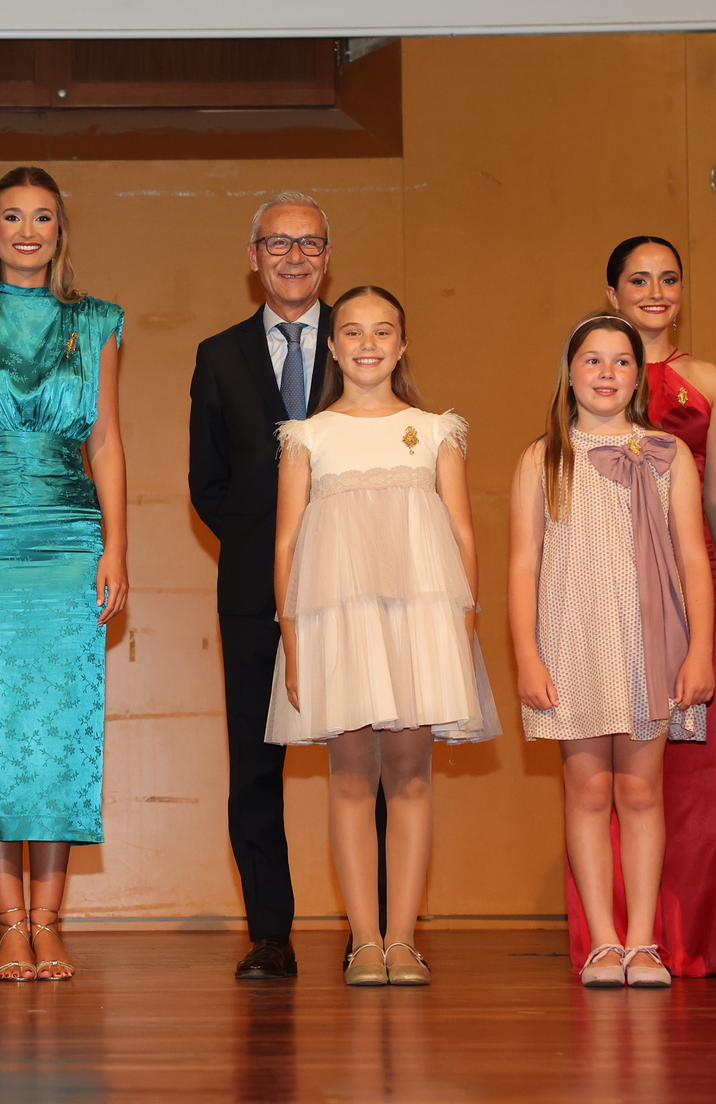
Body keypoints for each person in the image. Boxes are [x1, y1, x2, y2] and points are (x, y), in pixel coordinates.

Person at [0, 166, 126, 982]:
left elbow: (106, 438)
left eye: (42, 217)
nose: (28, 231)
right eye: (13, 216)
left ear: (59, 230)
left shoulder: (98, 320)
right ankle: (9, 923)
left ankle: (50, 921)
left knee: (61, 730)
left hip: (70, 539)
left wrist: (117, 546)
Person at [267, 286, 497, 987]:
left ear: (402, 345)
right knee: (348, 777)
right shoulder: (306, 437)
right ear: (333, 348)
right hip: (339, 625)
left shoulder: (435, 431)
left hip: (417, 623)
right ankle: (364, 941)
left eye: (383, 331)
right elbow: (287, 546)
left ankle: (404, 940)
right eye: (353, 332)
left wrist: (461, 631)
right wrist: (294, 641)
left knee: (411, 776)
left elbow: (462, 535)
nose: (368, 344)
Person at [508, 312, 713, 989]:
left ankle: (643, 941)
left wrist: (699, 651)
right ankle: (602, 941)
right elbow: (523, 565)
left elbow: (692, 556)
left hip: (649, 642)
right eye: (591, 360)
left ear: (639, 376)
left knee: (641, 789)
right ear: (569, 374)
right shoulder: (543, 458)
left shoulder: (667, 454)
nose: (606, 373)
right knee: (589, 788)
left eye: (621, 361)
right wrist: (528, 656)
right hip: (573, 639)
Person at [553, 236, 716, 978]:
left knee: (673, 786)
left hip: (679, 600)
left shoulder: (707, 381)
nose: (656, 291)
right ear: (611, 292)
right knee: (595, 783)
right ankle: (606, 939)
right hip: (591, 603)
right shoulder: (564, 433)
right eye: (638, 279)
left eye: (669, 278)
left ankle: (678, 941)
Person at [188, 190, 333, 980]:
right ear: (253, 258)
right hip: (251, 588)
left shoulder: (363, 341)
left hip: (355, 589)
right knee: (255, 764)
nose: (293, 257)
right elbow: (206, 483)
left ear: (327, 256)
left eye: (308, 242)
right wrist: (262, 548)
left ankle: (376, 930)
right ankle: (270, 934)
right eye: (278, 243)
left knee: (370, 759)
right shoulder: (219, 355)